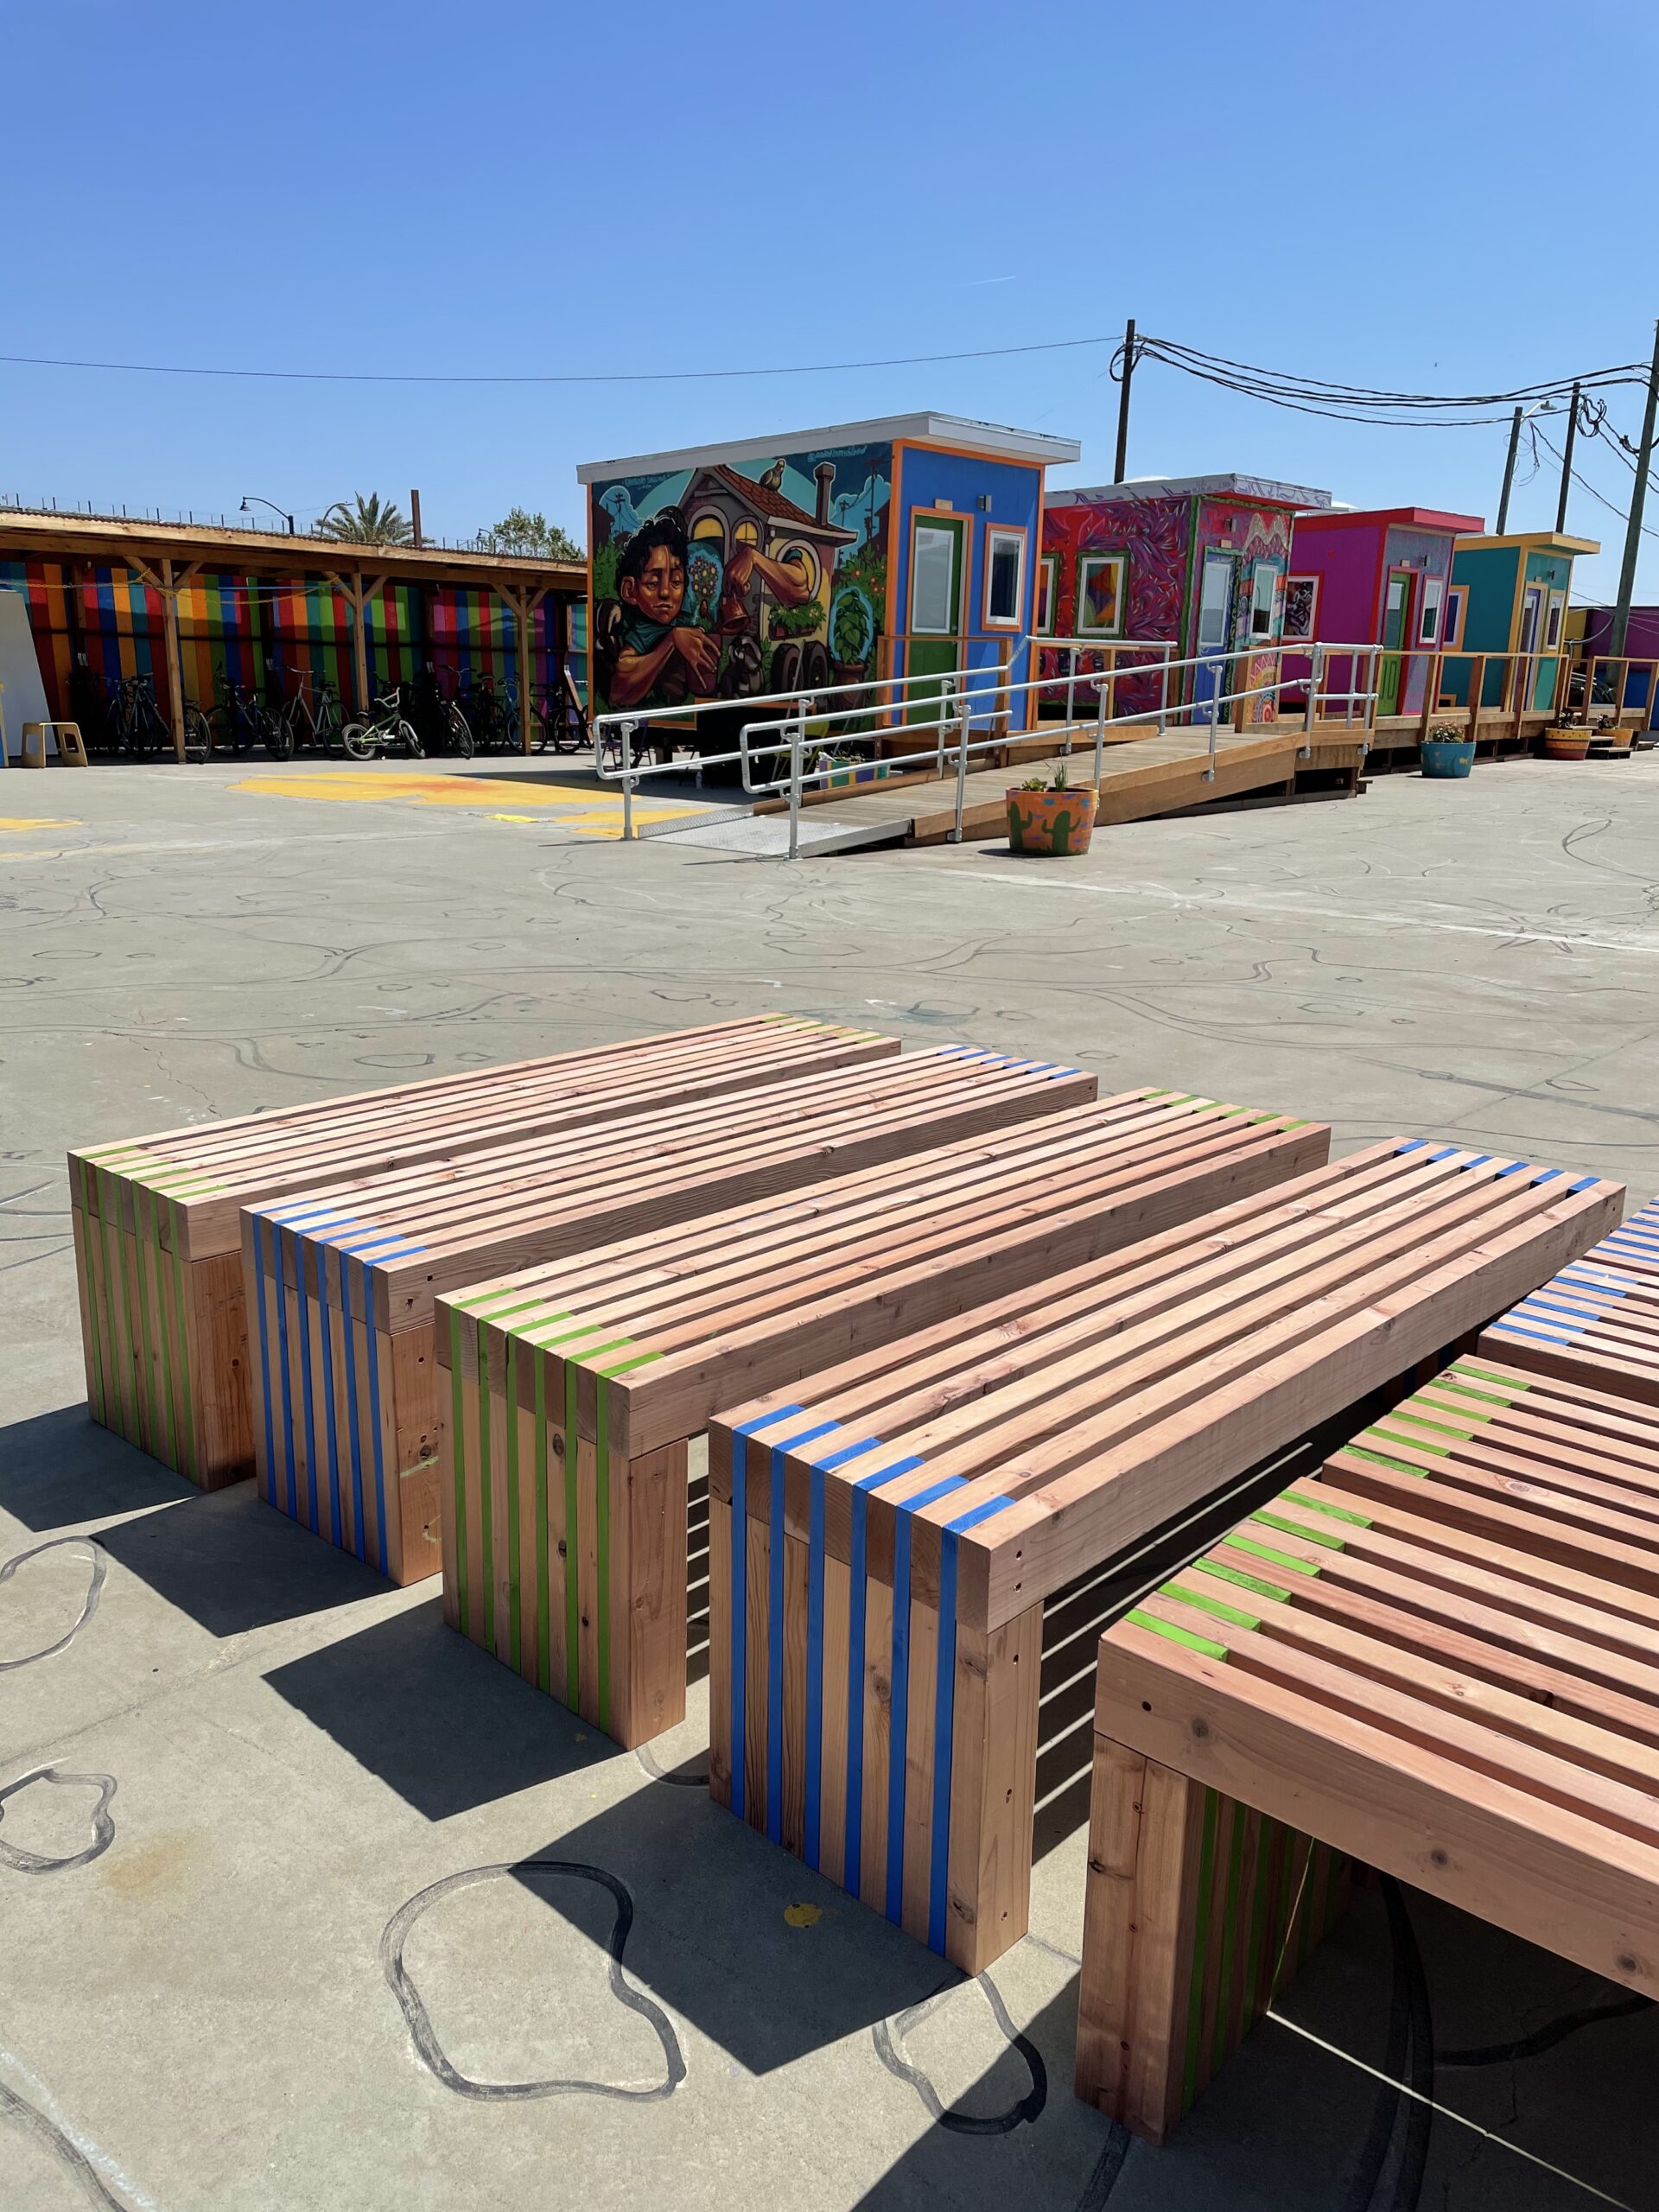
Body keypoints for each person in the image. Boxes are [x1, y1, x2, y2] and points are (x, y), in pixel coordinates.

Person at [607, 508, 720, 709]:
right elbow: (620, 683)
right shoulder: (644, 632)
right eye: (652, 583)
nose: (666, 592)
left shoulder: (685, 617)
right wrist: (671, 641)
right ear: (630, 590)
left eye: (676, 581)